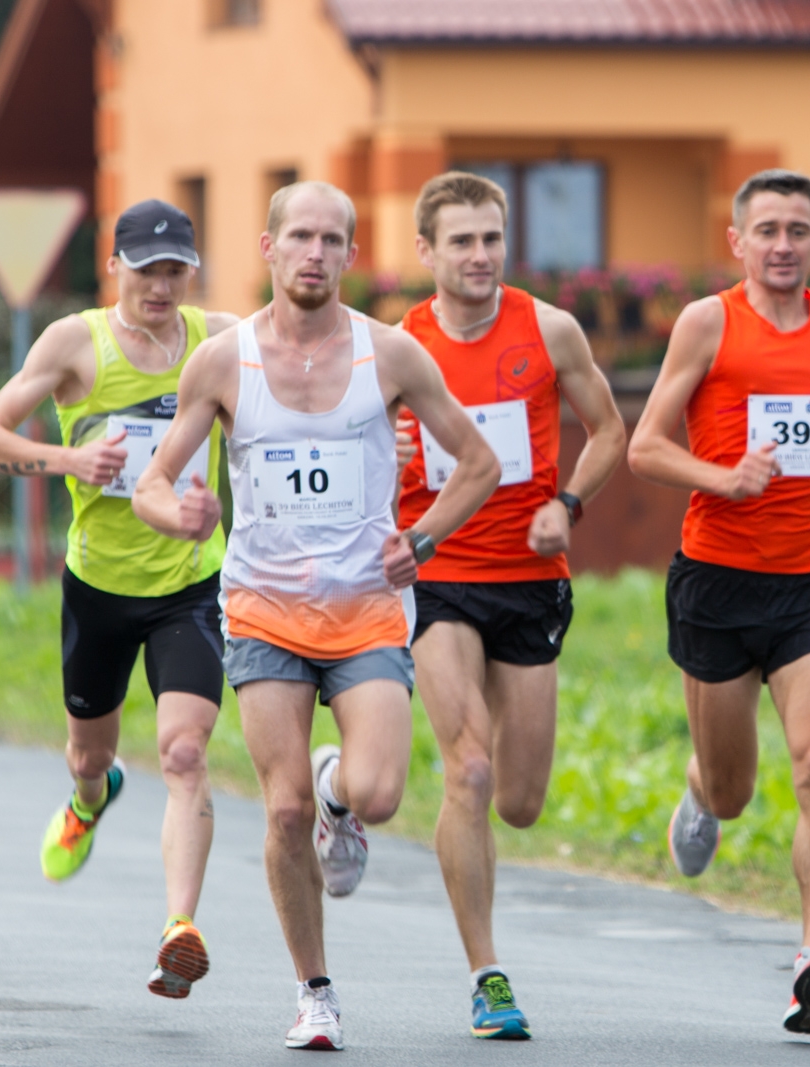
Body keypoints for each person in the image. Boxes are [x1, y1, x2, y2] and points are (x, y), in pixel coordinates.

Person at [133, 180, 499, 1052]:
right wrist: (176, 512)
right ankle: (315, 992)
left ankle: (343, 793)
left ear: (351, 254)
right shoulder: (222, 362)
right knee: (284, 809)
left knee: (375, 789)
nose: (315, 254)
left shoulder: (393, 355)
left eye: (333, 240)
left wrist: (426, 536)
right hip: (263, 612)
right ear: (267, 248)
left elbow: (479, 462)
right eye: (300, 237)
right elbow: (152, 481)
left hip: (368, 610)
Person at [627, 169, 810, 1035]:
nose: (783, 245)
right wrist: (725, 476)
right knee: (732, 791)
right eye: (768, 231)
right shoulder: (708, 323)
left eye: (798, 230)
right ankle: (698, 785)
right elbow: (645, 445)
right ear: (739, 242)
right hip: (718, 579)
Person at [0, 199, 238, 1000]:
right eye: (147, 267)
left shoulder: (219, 339)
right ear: (114, 265)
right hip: (99, 587)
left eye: (175, 269)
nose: (161, 285)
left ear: (191, 271)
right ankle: (92, 798)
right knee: (90, 753)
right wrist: (64, 460)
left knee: (186, 751)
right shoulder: (73, 343)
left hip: (191, 584)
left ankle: (178, 929)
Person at [396, 172, 626, 1040]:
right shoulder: (401, 347)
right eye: (462, 241)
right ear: (427, 252)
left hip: (529, 580)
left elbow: (610, 431)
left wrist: (565, 504)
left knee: (522, 800)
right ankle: (487, 974)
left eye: (492, 238)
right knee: (471, 769)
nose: (481, 255)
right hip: (437, 571)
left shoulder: (549, 329)